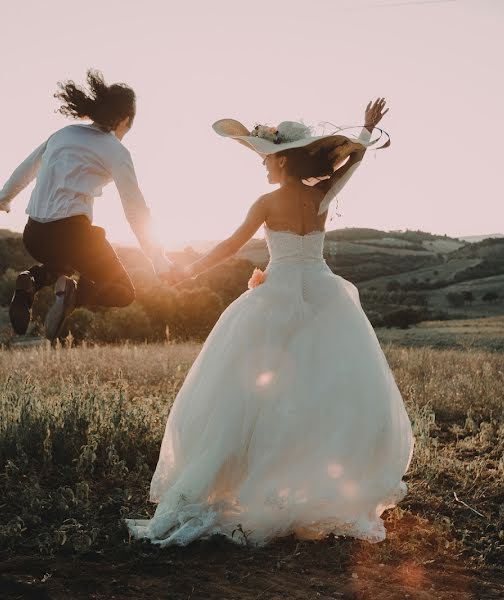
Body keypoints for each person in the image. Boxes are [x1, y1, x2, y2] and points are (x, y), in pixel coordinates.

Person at [126, 99, 415, 547]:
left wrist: (187, 272)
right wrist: (366, 130)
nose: (262, 165)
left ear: (281, 159)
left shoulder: (266, 201)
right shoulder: (321, 195)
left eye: (265, 158)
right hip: (321, 292)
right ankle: (305, 484)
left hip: (279, 293)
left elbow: (230, 245)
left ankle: (247, 484)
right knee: (316, 388)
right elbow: (354, 163)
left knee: (253, 392)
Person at [0, 69, 173, 340]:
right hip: (72, 235)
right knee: (123, 292)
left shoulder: (64, 134)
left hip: (34, 235)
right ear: (124, 120)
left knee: (67, 261)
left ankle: (33, 280)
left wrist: (1, 201)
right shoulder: (116, 150)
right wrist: (157, 257)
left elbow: (28, 167)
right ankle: (74, 295)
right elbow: (135, 209)